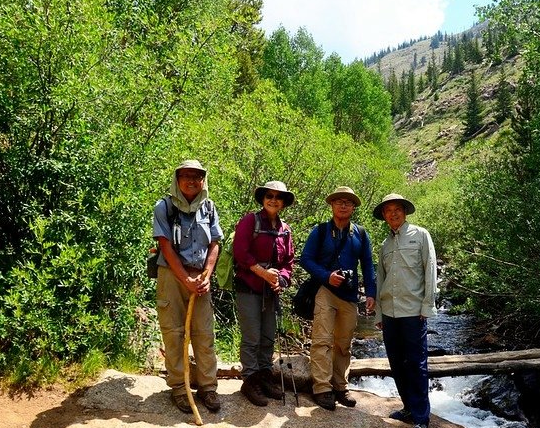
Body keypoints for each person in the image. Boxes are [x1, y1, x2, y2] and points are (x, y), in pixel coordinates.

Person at [152, 159, 223, 414]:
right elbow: (164, 245)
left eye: (197, 176)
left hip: (200, 279)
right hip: (172, 277)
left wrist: (206, 274)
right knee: (174, 334)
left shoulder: (209, 208)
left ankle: (208, 388)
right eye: (186, 176)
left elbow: (215, 243)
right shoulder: (165, 207)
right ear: (177, 179)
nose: (192, 181)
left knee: (204, 334)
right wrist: (185, 279)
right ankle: (180, 389)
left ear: (203, 180)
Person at [300, 186, 377, 411]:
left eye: (348, 202)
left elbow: (368, 265)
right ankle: (322, 388)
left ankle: (340, 386)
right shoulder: (321, 231)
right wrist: (326, 275)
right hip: (325, 291)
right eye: (339, 201)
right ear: (332, 205)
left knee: (343, 344)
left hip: (350, 295)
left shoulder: (360, 234)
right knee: (322, 340)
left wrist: (370, 293)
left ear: (353, 207)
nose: (343, 205)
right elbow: (305, 259)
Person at [373, 193, 437, 428]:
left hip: (413, 311)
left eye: (397, 209)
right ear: (384, 216)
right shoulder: (384, 246)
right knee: (397, 363)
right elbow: (380, 279)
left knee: (417, 364)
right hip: (389, 312)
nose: (393, 214)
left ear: (405, 212)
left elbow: (430, 269)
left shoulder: (421, 235)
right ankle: (409, 409)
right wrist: (378, 312)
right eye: (388, 210)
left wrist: (427, 306)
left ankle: (421, 420)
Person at [233, 181, 296, 406]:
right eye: (269, 195)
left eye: (278, 197)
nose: (273, 200)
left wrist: (281, 279)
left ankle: (265, 376)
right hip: (248, 287)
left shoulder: (285, 230)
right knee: (251, 337)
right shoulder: (250, 221)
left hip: (271, 291)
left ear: (283, 203)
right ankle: (250, 380)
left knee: (268, 336)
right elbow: (240, 252)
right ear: (263, 198)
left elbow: (289, 262)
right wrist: (262, 273)